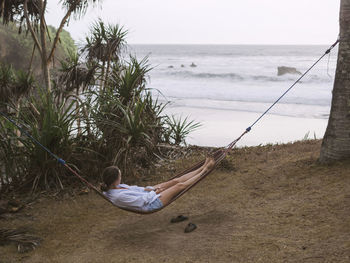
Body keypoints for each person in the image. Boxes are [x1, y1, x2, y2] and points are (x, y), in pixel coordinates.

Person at [101, 157, 215, 212]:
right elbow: (141, 202)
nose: (121, 178)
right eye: (120, 176)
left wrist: (150, 189)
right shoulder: (118, 196)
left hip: (149, 194)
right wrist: (154, 192)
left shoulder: (117, 187)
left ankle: (201, 168)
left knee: (175, 181)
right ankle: (204, 171)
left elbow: (136, 190)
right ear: (115, 180)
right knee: (178, 186)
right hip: (150, 204)